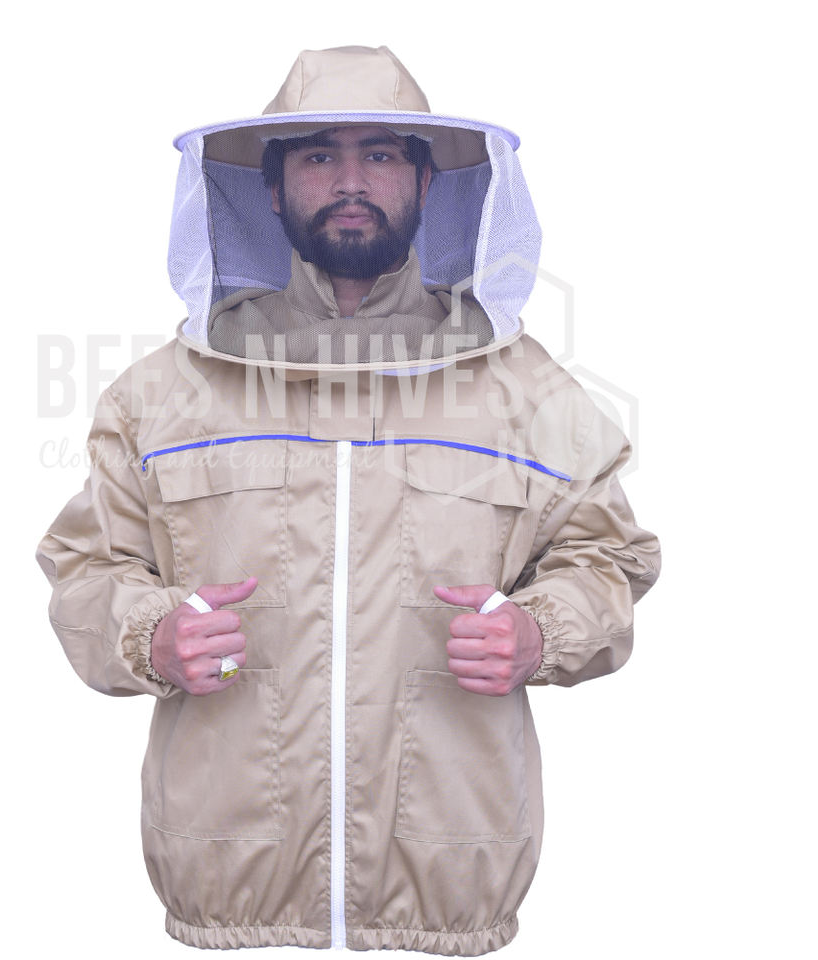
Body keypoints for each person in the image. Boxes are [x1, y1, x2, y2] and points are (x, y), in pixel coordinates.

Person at [36, 45, 661, 955]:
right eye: (319, 154)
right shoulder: (164, 394)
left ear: (428, 181)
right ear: (272, 188)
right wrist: (149, 635)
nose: (351, 180)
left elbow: (608, 554)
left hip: (454, 877)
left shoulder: (524, 389)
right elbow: (87, 566)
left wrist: (542, 631)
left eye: (382, 153)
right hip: (222, 880)